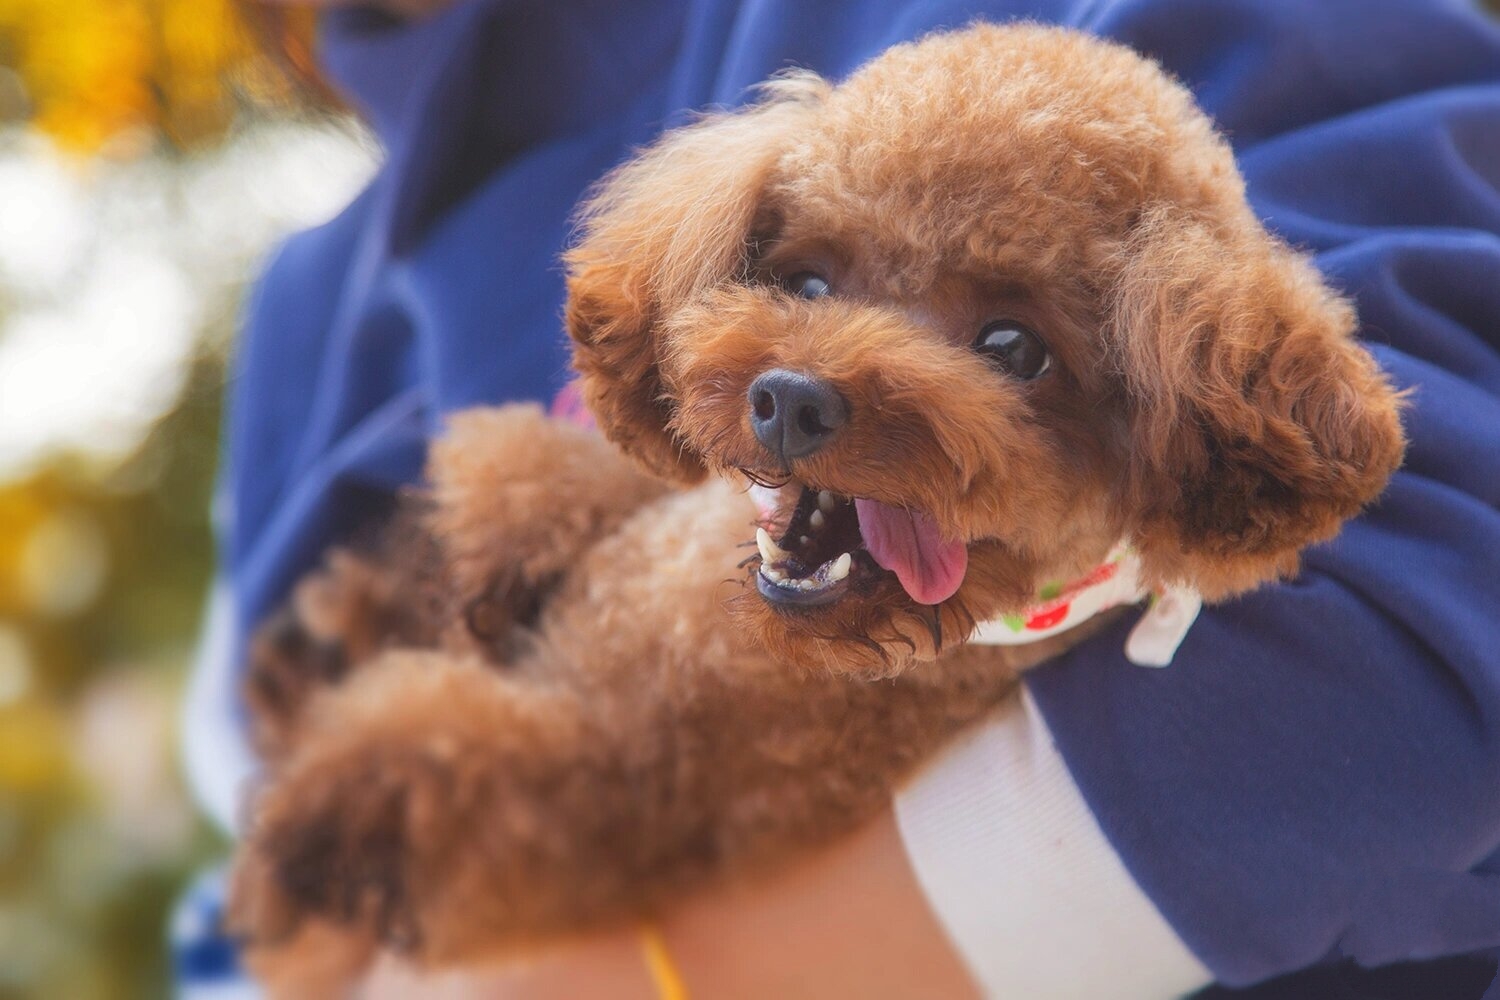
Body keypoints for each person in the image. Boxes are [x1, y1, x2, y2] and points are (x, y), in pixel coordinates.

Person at [177, 0, 1500, 996]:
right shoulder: (303, 318)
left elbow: (1445, 627)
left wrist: (664, 969)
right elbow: (232, 921)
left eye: (1007, 345)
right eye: (803, 280)